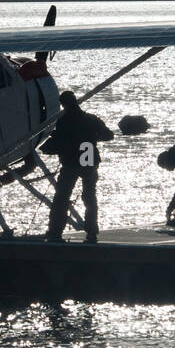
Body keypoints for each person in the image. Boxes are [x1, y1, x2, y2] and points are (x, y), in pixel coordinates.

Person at [40, 91, 113, 243]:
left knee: (62, 197)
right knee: (89, 196)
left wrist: (46, 149)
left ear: (63, 104)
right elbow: (108, 135)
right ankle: (91, 231)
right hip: (88, 159)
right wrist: (93, 138)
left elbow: (57, 141)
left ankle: (55, 231)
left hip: (71, 161)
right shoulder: (91, 119)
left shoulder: (63, 120)